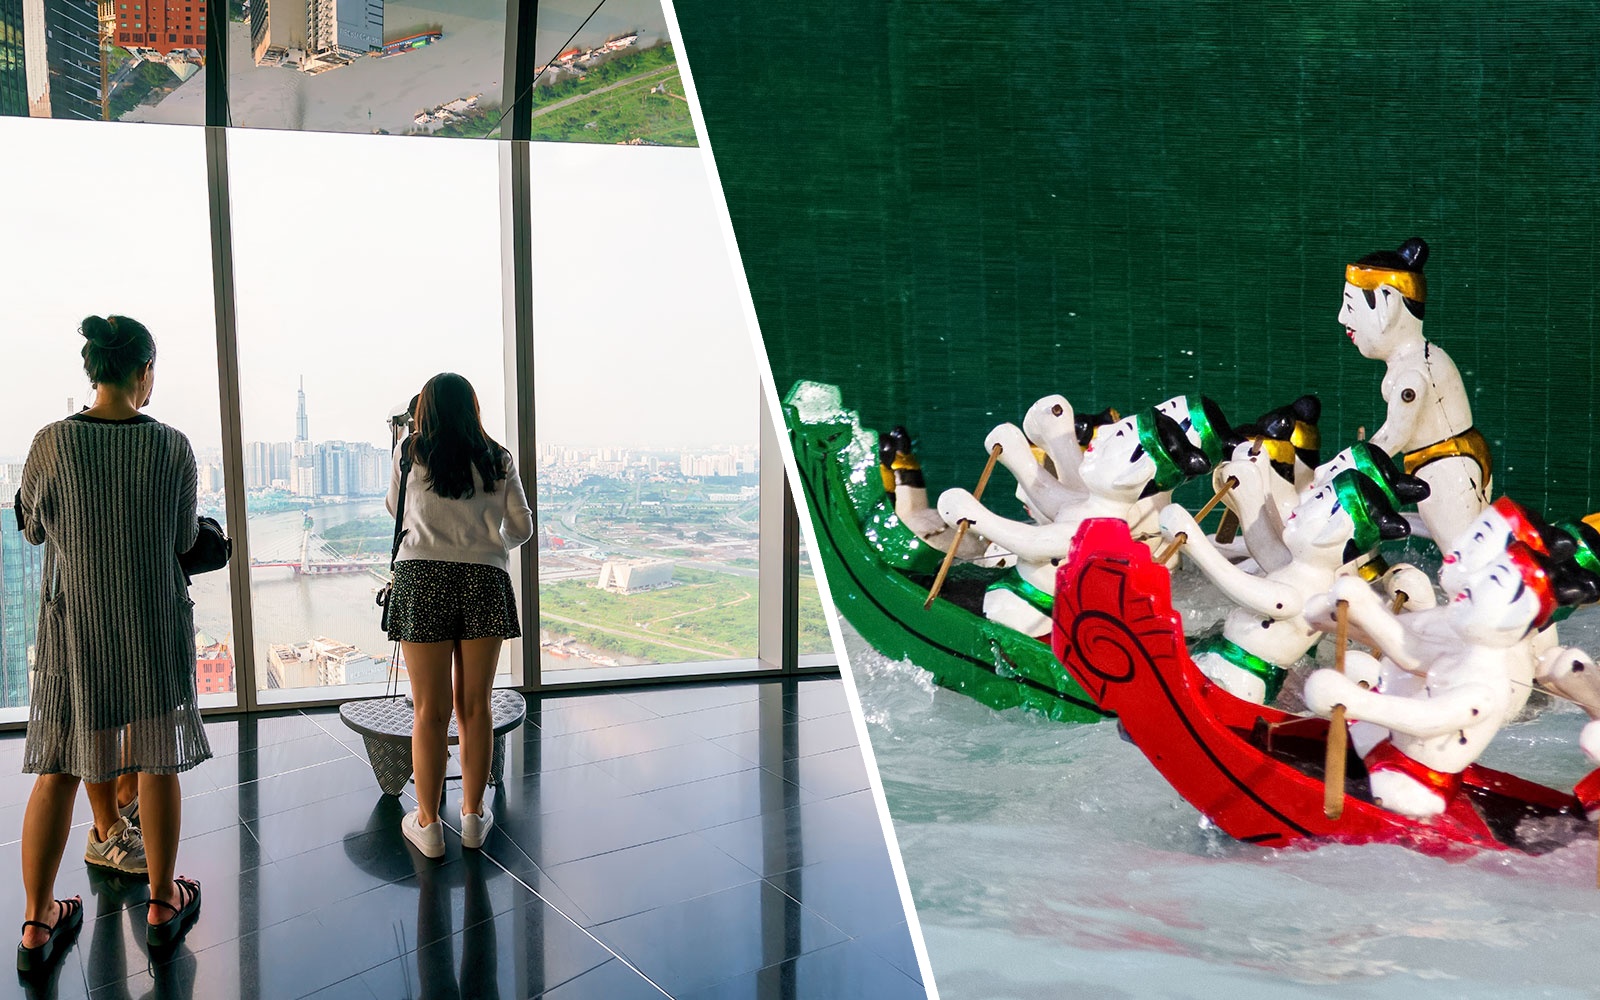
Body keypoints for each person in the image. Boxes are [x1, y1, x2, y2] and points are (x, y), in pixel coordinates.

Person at [15, 316, 209, 972]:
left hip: (77, 630)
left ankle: (37, 926)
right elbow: (185, 541)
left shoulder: (50, 442)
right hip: (152, 625)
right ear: (144, 373)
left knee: (60, 770)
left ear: (92, 370)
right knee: (156, 762)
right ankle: (160, 903)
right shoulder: (172, 447)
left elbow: (33, 530)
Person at [386, 373, 533, 858]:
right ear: (472, 407)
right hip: (483, 581)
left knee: (429, 711)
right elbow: (522, 528)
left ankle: (428, 825)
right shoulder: (498, 457)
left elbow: (395, 508)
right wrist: (488, 546)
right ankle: (472, 818)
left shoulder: (410, 451)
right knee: (476, 707)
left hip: (421, 577)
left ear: (424, 409)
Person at [1338, 237, 1491, 548]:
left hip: (1447, 471)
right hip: (1445, 464)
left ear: (1388, 304)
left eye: (1351, 306)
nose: (1343, 317)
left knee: (1462, 559)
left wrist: (1338, 467)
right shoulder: (1417, 360)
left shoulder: (1413, 374)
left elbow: (1393, 438)